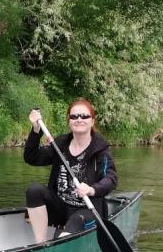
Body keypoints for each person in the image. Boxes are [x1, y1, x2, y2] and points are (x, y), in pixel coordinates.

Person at [24, 99, 117, 244]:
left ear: (92, 121)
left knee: (75, 221)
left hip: (88, 210)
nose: (79, 119)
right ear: (69, 121)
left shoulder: (100, 149)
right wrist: (36, 130)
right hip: (61, 207)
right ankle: (41, 245)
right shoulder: (60, 144)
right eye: (74, 116)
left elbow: (110, 179)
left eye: (84, 116)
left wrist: (92, 189)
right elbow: (32, 157)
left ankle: (62, 241)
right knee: (34, 190)